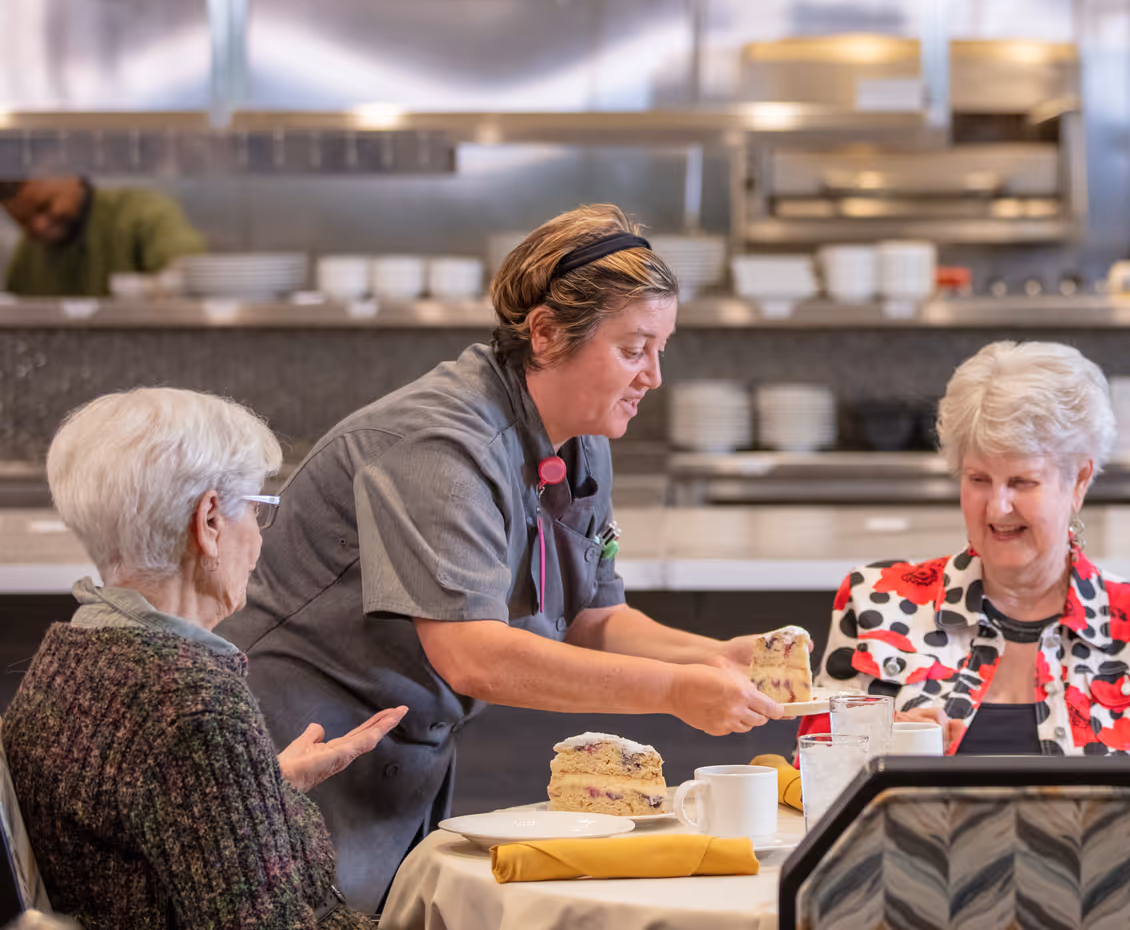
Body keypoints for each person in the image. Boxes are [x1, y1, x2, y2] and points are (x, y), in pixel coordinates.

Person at [219, 205, 785, 911]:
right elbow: (474, 656)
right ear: (546, 335)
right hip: (297, 749)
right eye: (634, 348)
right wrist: (674, 694)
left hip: (404, 752)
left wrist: (716, 659)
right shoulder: (438, 443)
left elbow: (593, 619)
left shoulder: (582, 439)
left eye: (662, 348)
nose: (654, 377)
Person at [4, 388, 405, 929]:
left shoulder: (70, 656)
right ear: (210, 521)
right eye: (258, 512)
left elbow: (141, 837)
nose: (260, 542)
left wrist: (261, 788)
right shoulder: (192, 704)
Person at [810, 341, 1130, 754]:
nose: (997, 506)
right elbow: (813, 779)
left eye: (1022, 482)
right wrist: (885, 743)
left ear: (1078, 482)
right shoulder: (875, 602)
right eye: (978, 479)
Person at [1, 176, 206, 297]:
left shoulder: (143, 213)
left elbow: (194, 278)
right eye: (23, 221)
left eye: (44, 207)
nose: (39, 225)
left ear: (70, 175)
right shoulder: (27, 253)